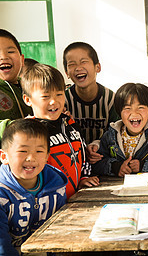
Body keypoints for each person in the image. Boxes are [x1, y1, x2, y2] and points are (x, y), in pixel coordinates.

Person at [21, 63, 99, 198]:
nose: (54, 101)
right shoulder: (27, 133)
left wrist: (83, 178)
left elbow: (83, 155)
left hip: (76, 201)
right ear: (28, 100)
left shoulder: (70, 124)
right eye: (45, 96)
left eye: (59, 94)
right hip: (46, 208)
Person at [0, 119, 67, 255]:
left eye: (39, 151)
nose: (31, 157)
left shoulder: (56, 185)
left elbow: (61, 230)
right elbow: (1, 245)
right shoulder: (2, 193)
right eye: (23, 151)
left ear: (47, 156)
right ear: (4, 156)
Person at [91, 83, 148, 177]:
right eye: (127, 108)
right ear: (119, 112)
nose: (134, 113)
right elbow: (96, 163)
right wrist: (115, 167)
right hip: (116, 188)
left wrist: (144, 166)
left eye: (141, 108)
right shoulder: (111, 135)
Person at [63, 42, 119, 164]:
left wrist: (98, 146)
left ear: (97, 67)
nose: (78, 67)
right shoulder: (63, 100)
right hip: (73, 161)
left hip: (104, 158)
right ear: (67, 73)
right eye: (72, 64)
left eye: (83, 62)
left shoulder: (111, 99)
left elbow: (116, 133)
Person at [0, 29, 33, 120]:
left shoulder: (31, 86)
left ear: (22, 60)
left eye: (10, 52)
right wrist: (19, 127)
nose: (3, 57)